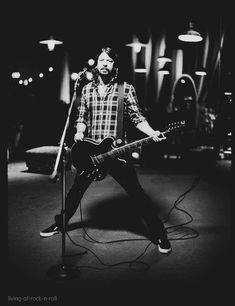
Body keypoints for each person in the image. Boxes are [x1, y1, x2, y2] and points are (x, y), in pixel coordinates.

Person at [40, 47, 171, 254]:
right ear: (96, 63)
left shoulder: (125, 89)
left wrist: (152, 132)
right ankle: (61, 223)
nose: (104, 63)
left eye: (109, 61)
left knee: (137, 194)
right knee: (75, 192)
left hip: (116, 152)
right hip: (92, 153)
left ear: (114, 66)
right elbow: (81, 117)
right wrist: (79, 132)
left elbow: (136, 117)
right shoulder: (86, 89)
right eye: (101, 59)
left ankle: (159, 233)